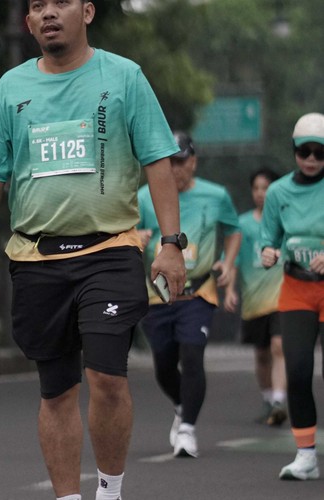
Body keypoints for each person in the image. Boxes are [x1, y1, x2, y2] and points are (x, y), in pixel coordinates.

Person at [0, 2, 186, 499]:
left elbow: (157, 161)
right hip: (36, 259)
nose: (48, 13)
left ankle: (109, 491)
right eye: (37, 5)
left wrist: (171, 243)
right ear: (28, 22)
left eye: (60, 2)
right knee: (57, 389)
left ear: (86, 12)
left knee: (107, 377)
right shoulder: (10, 88)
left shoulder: (124, 77)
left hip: (109, 251)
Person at [138, 131, 241, 458]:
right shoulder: (144, 197)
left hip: (198, 292)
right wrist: (136, 238)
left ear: (193, 162)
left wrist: (228, 262)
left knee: (192, 355)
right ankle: (182, 405)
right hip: (158, 294)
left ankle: (187, 429)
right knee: (163, 365)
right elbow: (128, 233)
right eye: (168, 162)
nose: (174, 169)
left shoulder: (216, 195)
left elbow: (233, 229)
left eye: (180, 161)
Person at [261, 112, 324, 481]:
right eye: (305, 151)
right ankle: (306, 456)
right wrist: (268, 253)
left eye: (320, 152)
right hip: (296, 288)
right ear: (294, 151)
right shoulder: (278, 192)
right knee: (298, 372)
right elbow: (268, 239)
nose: (312, 159)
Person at [224, 168, 287, 427]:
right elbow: (233, 260)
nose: (261, 193)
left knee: (279, 346)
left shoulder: (285, 222)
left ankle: (279, 401)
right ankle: (268, 399)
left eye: (266, 188)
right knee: (262, 355)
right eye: (256, 188)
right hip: (254, 302)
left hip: (282, 298)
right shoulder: (243, 224)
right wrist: (230, 289)